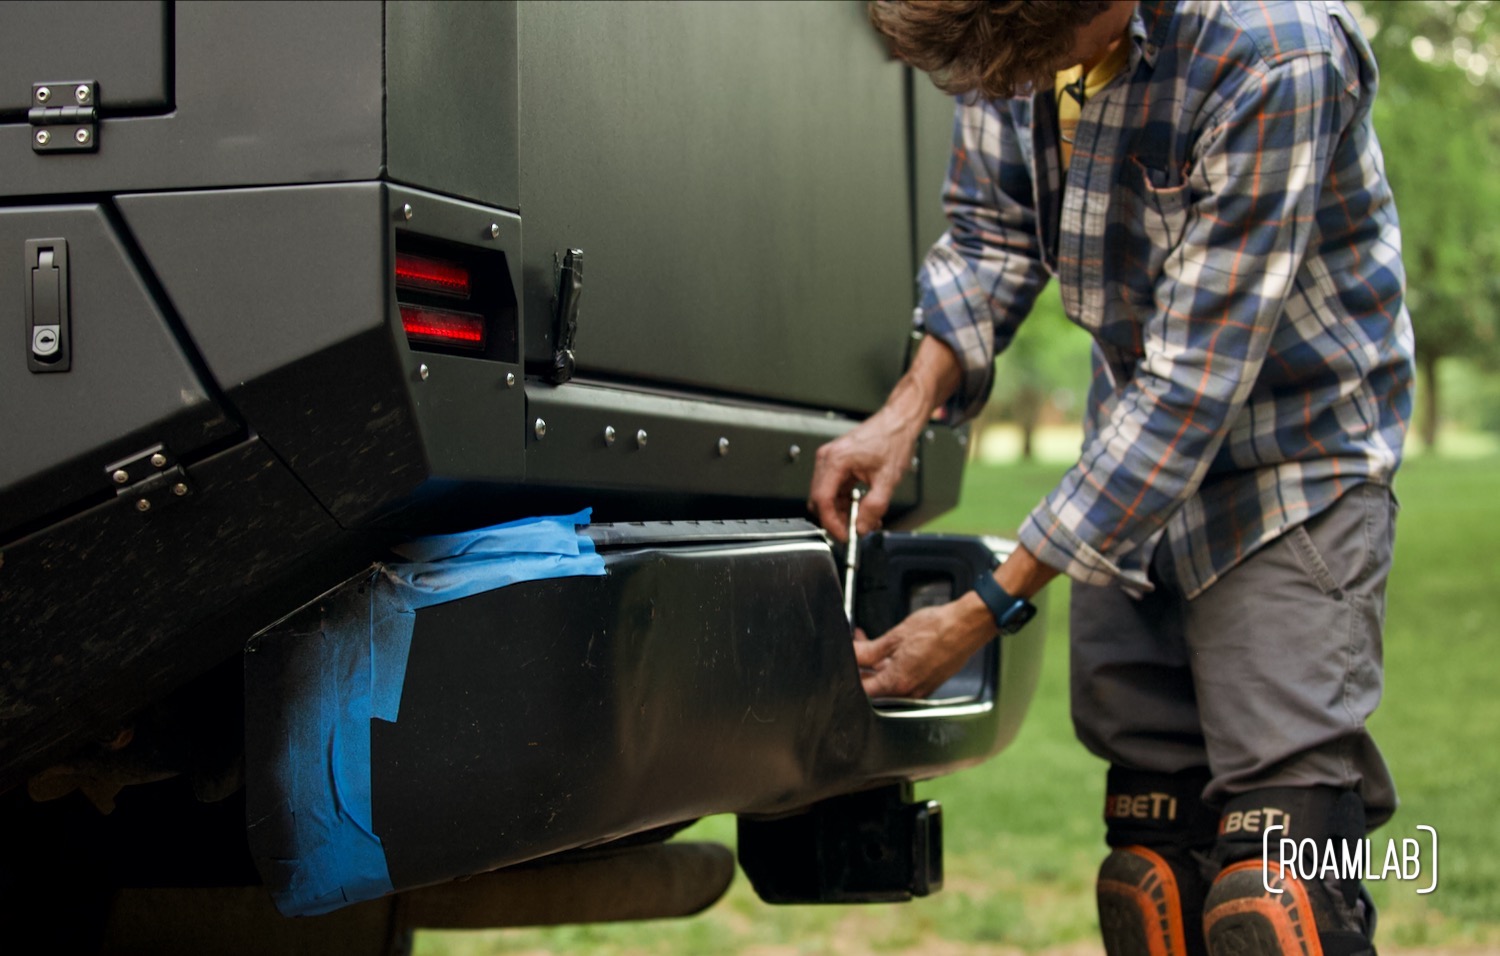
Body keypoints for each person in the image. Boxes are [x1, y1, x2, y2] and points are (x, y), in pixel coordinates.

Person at [808, 2, 1414, 954]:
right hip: (1130, 477)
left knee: (1279, 897)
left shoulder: (1275, 52)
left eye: (1024, 67)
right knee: (1151, 876)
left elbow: (1190, 392)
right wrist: (905, 410)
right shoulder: (1006, 29)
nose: (1007, 92)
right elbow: (990, 239)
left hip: (1290, 470)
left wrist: (978, 616)